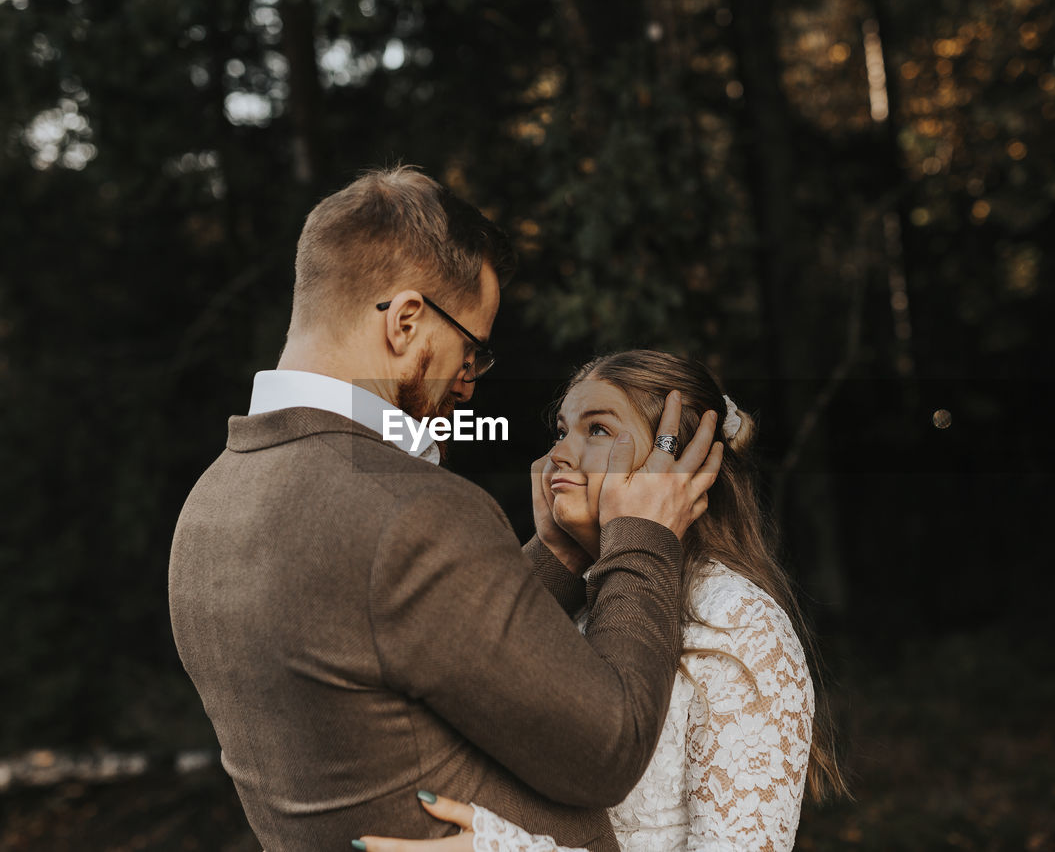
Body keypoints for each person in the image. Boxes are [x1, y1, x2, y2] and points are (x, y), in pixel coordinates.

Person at [167, 168, 724, 852]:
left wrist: (557, 556)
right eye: (472, 347)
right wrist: (646, 535)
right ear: (404, 321)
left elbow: (418, 648)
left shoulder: (207, 509)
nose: (470, 379)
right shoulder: (411, 508)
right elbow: (610, 744)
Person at [359, 351, 849, 852]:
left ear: (674, 465)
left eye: (597, 431)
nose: (559, 455)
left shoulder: (739, 622)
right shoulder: (581, 601)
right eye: (561, 429)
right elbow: (439, 684)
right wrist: (553, 555)